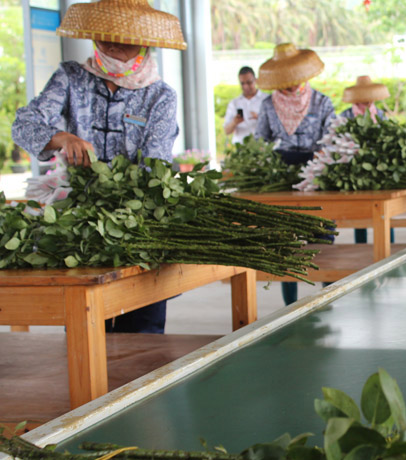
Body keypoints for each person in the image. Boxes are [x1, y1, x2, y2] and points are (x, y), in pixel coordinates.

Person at [12, 0, 185, 334]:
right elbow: (24, 124)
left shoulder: (160, 95)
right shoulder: (71, 77)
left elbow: (155, 167)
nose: (111, 43)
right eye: (104, 35)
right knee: (86, 329)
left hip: (138, 225)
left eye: (123, 38)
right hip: (77, 227)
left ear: (145, 42)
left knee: (142, 338)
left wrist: (118, 203)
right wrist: (61, 137)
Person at [254, 42, 336, 305]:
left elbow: (334, 138)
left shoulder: (322, 102)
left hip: (318, 173)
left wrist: (322, 163)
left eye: (294, 79)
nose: (290, 85)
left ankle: (329, 297)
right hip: (282, 175)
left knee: (322, 236)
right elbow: (261, 141)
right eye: (285, 80)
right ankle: (290, 306)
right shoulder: (268, 105)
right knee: (287, 240)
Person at [340, 75, 393, 244]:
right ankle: (360, 244)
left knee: (385, 209)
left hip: (379, 167)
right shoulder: (345, 115)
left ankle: (388, 245)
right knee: (360, 210)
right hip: (353, 168)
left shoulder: (380, 115)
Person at [223, 66, 267, 144]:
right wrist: (234, 122)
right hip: (241, 149)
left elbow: (275, 127)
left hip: (262, 148)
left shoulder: (266, 100)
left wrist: (260, 118)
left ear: (256, 80)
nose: (245, 86)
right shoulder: (234, 103)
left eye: (249, 82)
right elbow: (226, 131)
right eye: (242, 83)